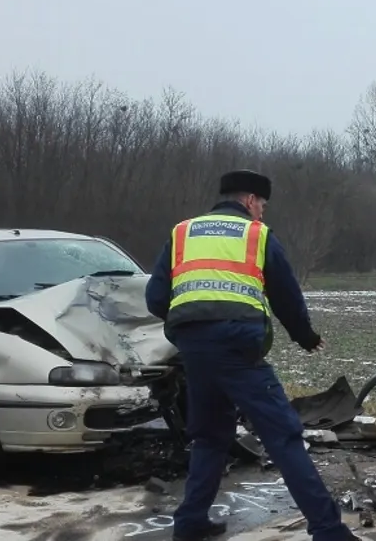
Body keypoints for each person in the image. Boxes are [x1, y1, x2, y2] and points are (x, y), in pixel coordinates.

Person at [144, 170, 361, 541]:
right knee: (285, 436)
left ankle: (191, 523)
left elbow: (155, 299)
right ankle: (329, 532)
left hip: (194, 349)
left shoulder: (182, 232)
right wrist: (305, 336)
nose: (261, 212)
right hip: (238, 349)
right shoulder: (256, 235)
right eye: (261, 204)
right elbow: (286, 295)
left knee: (211, 437)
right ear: (249, 201)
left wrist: (195, 322)